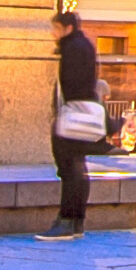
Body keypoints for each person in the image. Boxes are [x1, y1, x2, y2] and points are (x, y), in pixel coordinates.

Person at [38, 12, 100, 240]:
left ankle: (66, 220)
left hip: (73, 113)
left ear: (68, 28)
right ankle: (76, 221)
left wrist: (65, 115)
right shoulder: (83, 46)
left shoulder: (72, 49)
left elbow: (71, 84)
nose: (53, 33)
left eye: (56, 28)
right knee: (77, 167)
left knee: (70, 168)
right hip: (81, 112)